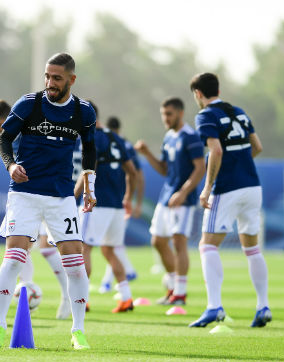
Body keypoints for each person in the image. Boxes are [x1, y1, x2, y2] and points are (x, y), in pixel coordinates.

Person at [0, 53, 97, 350]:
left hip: (60, 197)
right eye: (47, 76)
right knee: (14, 259)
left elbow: (89, 152)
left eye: (57, 78)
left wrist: (89, 188)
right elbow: (4, 139)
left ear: (72, 80)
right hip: (24, 194)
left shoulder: (83, 112)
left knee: (75, 265)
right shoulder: (29, 104)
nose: (50, 83)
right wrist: (10, 166)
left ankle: (78, 331)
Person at [188, 72, 271, 328]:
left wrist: (207, 187)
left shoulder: (205, 115)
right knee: (252, 248)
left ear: (198, 94)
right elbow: (257, 146)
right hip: (252, 186)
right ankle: (263, 305)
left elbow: (216, 150)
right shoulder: (239, 111)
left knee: (207, 245)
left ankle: (214, 306)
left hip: (226, 189)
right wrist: (241, 166)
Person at [0, 99, 72, 320]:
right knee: (23, 249)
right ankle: (26, 288)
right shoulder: (11, 137)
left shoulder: (27, 128)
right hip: (26, 198)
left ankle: (66, 297)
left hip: (49, 195)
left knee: (46, 248)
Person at [135, 97, 205, 306]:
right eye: (163, 114)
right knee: (157, 241)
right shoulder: (169, 137)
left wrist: (183, 192)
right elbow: (165, 169)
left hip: (183, 200)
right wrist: (147, 154)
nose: (165, 118)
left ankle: (180, 293)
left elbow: (200, 167)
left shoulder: (191, 136)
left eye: (169, 114)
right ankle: (173, 286)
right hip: (167, 197)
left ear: (180, 113)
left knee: (179, 241)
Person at [78, 102, 137, 313]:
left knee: (84, 248)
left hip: (97, 204)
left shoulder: (92, 137)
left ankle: (81, 299)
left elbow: (89, 169)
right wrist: (128, 197)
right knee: (110, 251)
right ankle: (127, 298)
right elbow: (132, 171)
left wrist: (86, 194)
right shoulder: (116, 138)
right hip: (116, 207)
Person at [98, 116, 143, 293]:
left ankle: (110, 282)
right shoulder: (124, 143)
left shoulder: (101, 140)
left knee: (104, 246)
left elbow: (136, 173)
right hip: (121, 201)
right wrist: (133, 199)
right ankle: (118, 283)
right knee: (112, 245)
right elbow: (137, 174)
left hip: (107, 201)